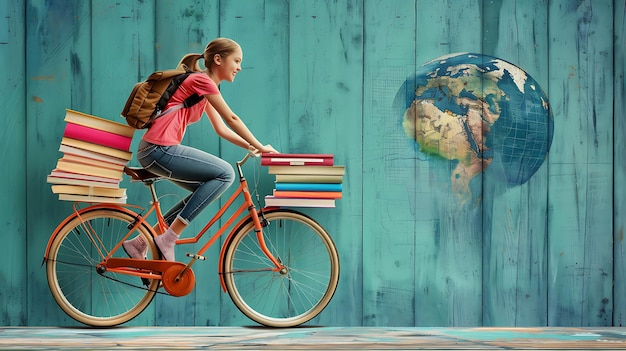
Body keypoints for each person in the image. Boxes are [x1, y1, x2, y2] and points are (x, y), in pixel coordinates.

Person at [123, 38, 278, 261]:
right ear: (218, 59)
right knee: (225, 174)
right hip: (159, 149)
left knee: (205, 190)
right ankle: (168, 238)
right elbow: (232, 118)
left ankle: (139, 243)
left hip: (156, 150)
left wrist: (252, 148)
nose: (239, 67)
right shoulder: (201, 81)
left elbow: (221, 129)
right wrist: (261, 147)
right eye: (236, 60)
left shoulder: (204, 89)